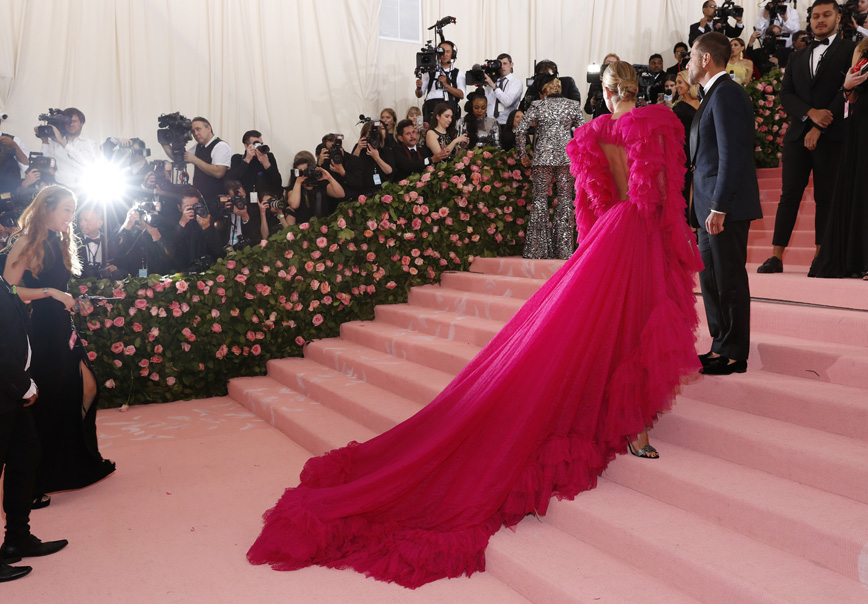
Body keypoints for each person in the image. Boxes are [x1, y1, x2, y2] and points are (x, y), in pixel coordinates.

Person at [248, 59, 703, 588]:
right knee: (642, 323)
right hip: (640, 233)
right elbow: (659, 198)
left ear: (606, 91)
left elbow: (594, 204)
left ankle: (629, 422)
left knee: (601, 330)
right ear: (635, 87)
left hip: (607, 238)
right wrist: (675, 248)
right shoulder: (654, 123)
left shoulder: (592, 132)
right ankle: (637, 429)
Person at [0, 196, 69, 584]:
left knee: (27, 456)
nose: (0, 227)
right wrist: (22, 384)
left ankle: (17, 539)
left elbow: (8, 307)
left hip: (6, 391)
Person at [2, 186, 116, 508]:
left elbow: (59, 289)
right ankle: (37, 480)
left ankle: (74, 463)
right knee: (49, 403)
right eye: (67, 210)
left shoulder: (60, 239)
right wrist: (51, 292)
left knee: (87, 388)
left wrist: (70, 301)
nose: (72, 217)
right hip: (41, 332)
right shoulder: (27, 241)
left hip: (62, 325)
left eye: (73, 211)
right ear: (47, 208)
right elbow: (9, 289)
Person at [757, 1, 856, 274]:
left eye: (826, 15)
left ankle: (820, 258)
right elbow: (786, 94)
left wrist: (821, 125)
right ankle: (776, 257)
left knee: (826, 197)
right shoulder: (798, 56)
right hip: (797, 135)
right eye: (815, 16)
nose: (820, 20)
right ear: (809, 21)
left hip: (834, 135)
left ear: (838, 17)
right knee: (789, 195)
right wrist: (810, 114)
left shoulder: (851, 51)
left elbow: (847, 90)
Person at [688, 32, 762, 376]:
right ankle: (720, 345)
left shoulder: (727, 93)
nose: (687, 63)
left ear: (705, 59)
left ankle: (734, 352)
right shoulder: (712, 95)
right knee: (711, 278)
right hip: (708, 207)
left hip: (723, 207)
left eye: (690, 57)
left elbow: (733, 155)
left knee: (729, 277)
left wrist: (719, 206)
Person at [809, 38, 868, 279]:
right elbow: (850, 98)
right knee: (861, 189)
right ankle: (860, 259)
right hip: (862, 126)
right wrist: (847, 86)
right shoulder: (863, 48)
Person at [514, 75, 584, 260]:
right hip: (566, 159)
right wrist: (578, 154)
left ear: (545, 91)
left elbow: (520, 129)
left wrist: (523, 155)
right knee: (564, 199)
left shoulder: (538, 105)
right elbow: (582, 132)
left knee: (539, 200)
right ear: (559, 89)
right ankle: (565, 249)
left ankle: (537, 250)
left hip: (542, 158)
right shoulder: (572, 105)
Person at [163, 117, 232, 208]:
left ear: (208, 128)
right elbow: (178, 159)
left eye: (198, 129)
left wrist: (195, 160)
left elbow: (219, 172)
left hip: (216, 201)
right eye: (193, 131)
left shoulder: (220, 146)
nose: (196, 133)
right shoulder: (199, 146)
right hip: (202, 200)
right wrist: (164, 143)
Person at [37, 108, 98, 191]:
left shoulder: (89, 143)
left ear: (82, 123)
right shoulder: (55, 143)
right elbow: (45, 163)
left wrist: (62, 142)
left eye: (74, 121)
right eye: (67, 122)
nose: (71, 124)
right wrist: (45, 142)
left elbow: (86, 161)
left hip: (84, 191)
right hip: (60, 189)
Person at [172, 186, 224, 272]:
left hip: (206, 271)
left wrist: (207, 227)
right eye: (188, 207)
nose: (192, 210)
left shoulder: (207, 219)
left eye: (195, 206)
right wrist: (182, 223)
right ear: (179, 207)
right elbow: (170, 249)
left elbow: (218, 252)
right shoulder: (173, 221)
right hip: (181, 272)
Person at [673, 71, 701, 226]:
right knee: (686, 188)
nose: (677, 86)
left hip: (703, 151)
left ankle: (697, 224)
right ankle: (688, 226)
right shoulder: (678, 108)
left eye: (680, 82)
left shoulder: (703, 102)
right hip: (685, 153)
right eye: (676, 83)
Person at [285, 152, 345, 225]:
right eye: (301, 172)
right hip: (303, 228)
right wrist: (298, 182)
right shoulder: (294, 187)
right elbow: (294, 204)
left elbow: (341, 194)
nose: (305, 174)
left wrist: (329, 178)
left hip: (323, 226)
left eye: (306, 171)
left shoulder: (321, 184)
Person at [415, 41, 466, 123]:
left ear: (453, 54)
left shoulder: (458, 73)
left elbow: (461, 94)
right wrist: (418, 88)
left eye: (448, 52)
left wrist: (446, 85)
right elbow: (419, 94)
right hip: (430, 111)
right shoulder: (428, 71)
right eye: (442, 51)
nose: (445, 54)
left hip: (449, 110)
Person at [224, 130, 283, 198]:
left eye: (261, 144)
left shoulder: (268, 157)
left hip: (265, 200)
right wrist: (246, 160)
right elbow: (231, 180)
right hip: (245, 200)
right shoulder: (237, 159)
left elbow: (278, 182)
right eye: (256, 144)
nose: (259, 147)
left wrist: (267, 164)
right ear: (246, 146)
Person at [483, 53, 523, 125]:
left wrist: (493, 86)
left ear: (511, 64)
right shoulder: (492, 81)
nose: (502, 67)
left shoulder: (516, 82)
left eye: (505, 63)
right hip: (489, 122)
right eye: (500, 64)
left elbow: (507, 102)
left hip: (506, 123)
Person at [584, 53, 620, 118]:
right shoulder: (595, 83)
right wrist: (592, 104)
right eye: (608, 62)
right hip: (598, 121)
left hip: (615, 121)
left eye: (613, 63)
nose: (609, 65)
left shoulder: (621, 85)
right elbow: (587, 109)